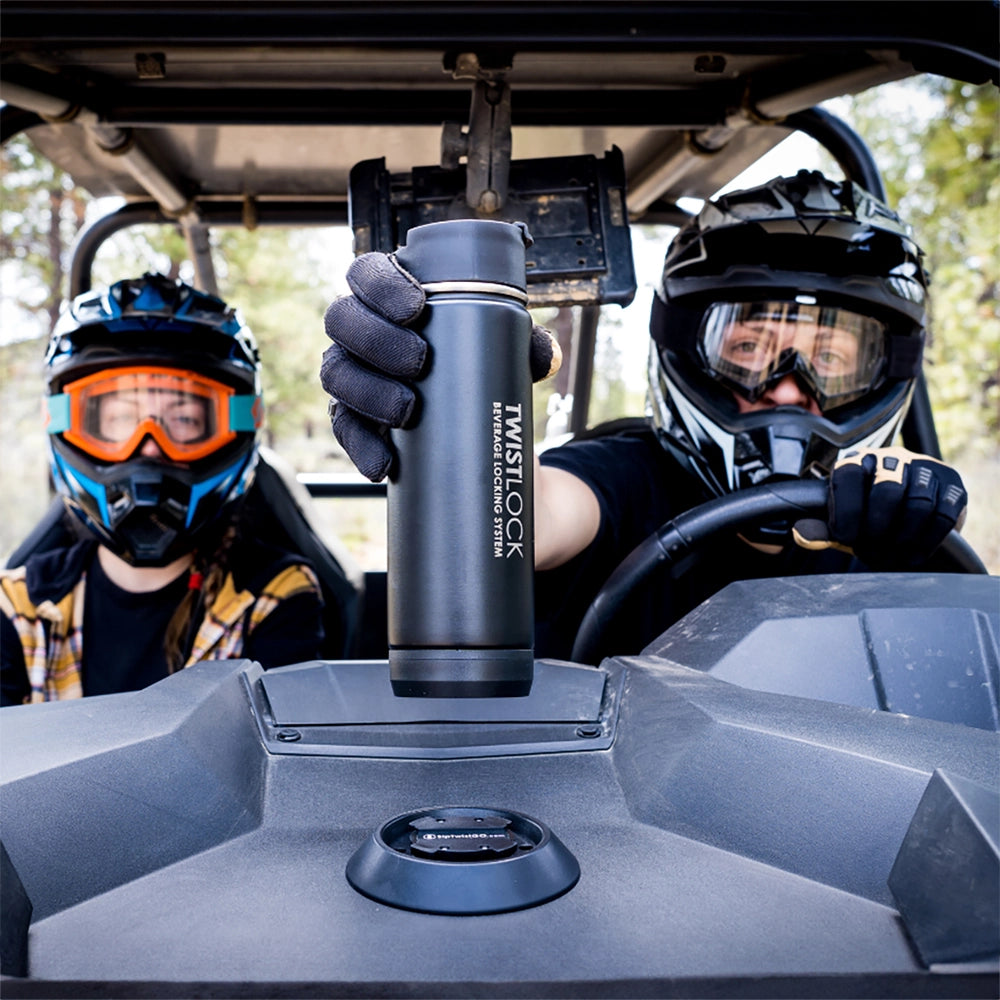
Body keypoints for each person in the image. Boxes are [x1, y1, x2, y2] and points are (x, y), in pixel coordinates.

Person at [319, 171, 969, 660]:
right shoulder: (629, 476)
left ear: (885, 374)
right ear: (685, 350)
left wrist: (922, 519)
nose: (787, 391)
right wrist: (461, 382)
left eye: (830, 359)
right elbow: (525, 514)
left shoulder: (892, 531)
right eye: (747, 350)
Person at [1, 274, 324, 704]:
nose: (149, 448)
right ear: (63, 423)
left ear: (239, 423)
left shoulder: (271, 596)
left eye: (185, 420)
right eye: (118, 420)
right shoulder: (17, 606)